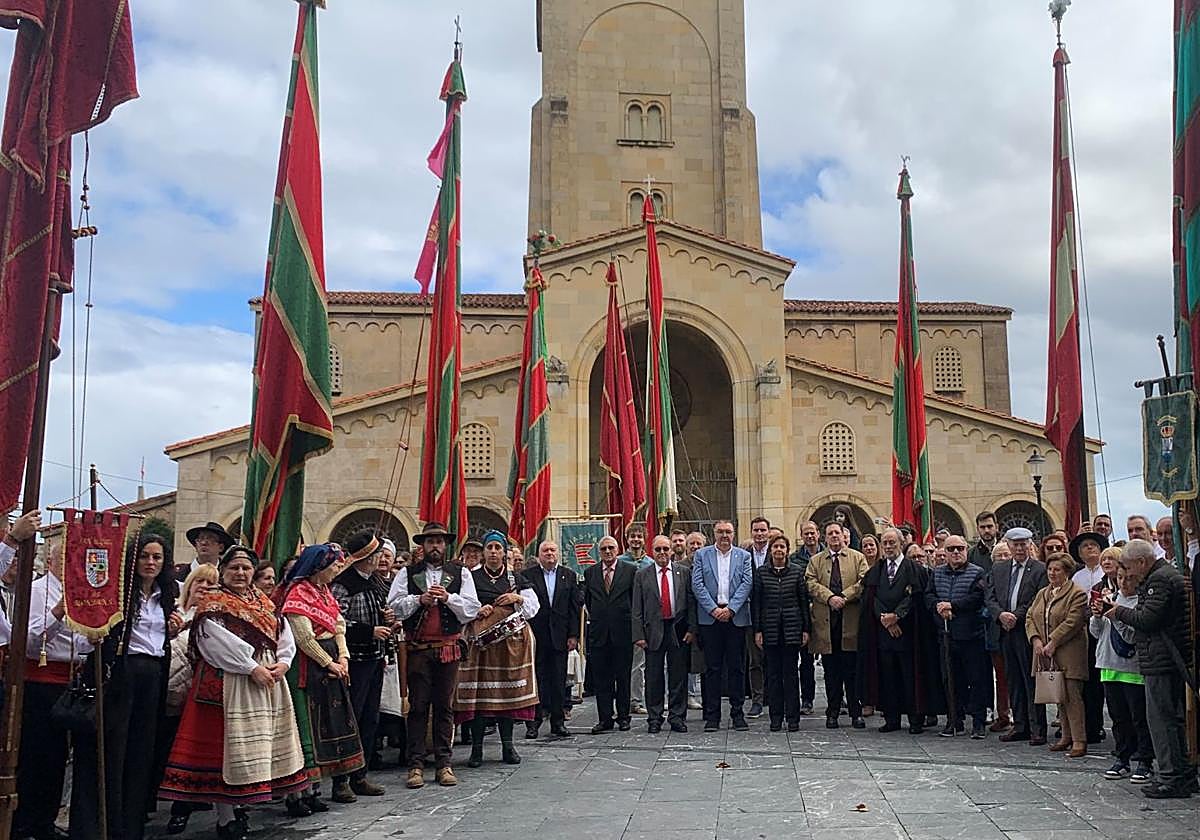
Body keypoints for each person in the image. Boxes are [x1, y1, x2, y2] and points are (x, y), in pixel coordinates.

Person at [159, 545, 307, 840]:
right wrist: (252, 667)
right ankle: (226, 817)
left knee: (256, 747)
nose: (240, 573)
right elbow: (214, 641)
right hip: (229, 681)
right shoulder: (213, 602)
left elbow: (284, 633)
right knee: (224, 750)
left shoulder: (263, 602)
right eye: (234, 568)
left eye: (246, 568)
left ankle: (240, 806)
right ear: (223, 572)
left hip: (266, 678)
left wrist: (284, 662)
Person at [70, 533, 177, 840]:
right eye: (145, 556)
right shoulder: (117, 593)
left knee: (141, 753)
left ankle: (131, 826)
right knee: (110, 753)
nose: (151, 563)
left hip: (152, 675)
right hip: (120, 674)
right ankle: (100, 827)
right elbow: (90, 635)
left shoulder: (166, 594)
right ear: (134, 559)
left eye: (157, 557)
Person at [388, 522, 481, 789]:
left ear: (445, 545)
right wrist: (419, 600)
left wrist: (449, 598)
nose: (435, 546)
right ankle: (415, 765)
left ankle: (444, 764)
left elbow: (471, 609)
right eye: (430, 542)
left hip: (448, 648)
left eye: (439, 542)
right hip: (418, 649)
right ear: (423, 546)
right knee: (417, 707)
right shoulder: (408, 573)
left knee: (444, 707)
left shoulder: (460, 573)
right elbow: (394, 606)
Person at [15, 539, 93, 840]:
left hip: (74, 678)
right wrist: (59, 613)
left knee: (62, 757)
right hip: (42, 680)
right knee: (38, 755)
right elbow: (30, 640)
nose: (72, 565)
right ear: (51, 562)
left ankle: (45, 821)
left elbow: (82, 642)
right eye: (66, 559)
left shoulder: (83, 594)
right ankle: (24, 823)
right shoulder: (37, 591)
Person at [1107, 540, 1198, 798]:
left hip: (1162, 659)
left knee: (1161, 720)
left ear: (1141, 562)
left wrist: (1118, 612)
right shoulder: (1165, 576)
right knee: (1171, 719)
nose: (1126, 572)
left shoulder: (1158, 581)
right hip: (1166, 657)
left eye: (1127, 566)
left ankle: (1171, 777)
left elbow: (1148, 619)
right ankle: (1182, 772)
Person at [279, 543, 363, 809]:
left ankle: (322, 788)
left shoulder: (326, 593)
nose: (338, 568)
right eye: (334, 563)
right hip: (309, 668)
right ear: (319, 566)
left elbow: (339, 625)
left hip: (332, 665)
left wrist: (344, 657)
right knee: (308, 728)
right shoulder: (297, 593)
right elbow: (303, 637)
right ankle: (301, 792)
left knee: (335, 723)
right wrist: (329, 663)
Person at [455, 529, 538, 765]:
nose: (493, 552)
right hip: (481, 647)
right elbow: (462, 605)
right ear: (483, 552)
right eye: (489, 548)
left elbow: (534, 607)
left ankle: (508, 748)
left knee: (507, 697)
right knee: (480, 699)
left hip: (509, 647)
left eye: (497, 548)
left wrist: (517, 599)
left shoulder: (515, 579)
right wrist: (477, 610)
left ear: (504, 552)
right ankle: (477, 750)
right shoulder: (470, 577)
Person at [329, 532, 392, 799]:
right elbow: (336, 622)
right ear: (365, 558)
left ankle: (360, 774)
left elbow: (380, 610)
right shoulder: (343, 584)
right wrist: (370, 631)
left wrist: (387, 618)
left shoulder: (375, 581)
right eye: (376, 554)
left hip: (375, 658)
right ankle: (340, 780)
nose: (380, 558)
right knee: (350, 718)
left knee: (370, 718)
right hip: (354, 661)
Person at [160, 564, 219, 836]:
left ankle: (185, 808)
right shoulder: (172, 612)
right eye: (200, 583)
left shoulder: (218, 617)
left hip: (200, 693)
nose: (204, 588)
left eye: (211, 584)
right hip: (170, 693)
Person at [858, 528, 936, 735]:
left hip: (909, 634)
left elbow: (915, 598)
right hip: (884, 635)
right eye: (885, 543)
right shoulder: (876, 571)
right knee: (888, 677)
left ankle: (915, 719)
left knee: (910, 677)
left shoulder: (914, 570)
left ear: (901, 543)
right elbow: (871, 598)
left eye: (892, 542)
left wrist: (897, 617)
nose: (889, 546)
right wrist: (886, 619)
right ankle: (891, 719)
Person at [1089, 564, 1153, 783]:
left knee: (1139, 717)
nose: (1123, 583)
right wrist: (1097, 616)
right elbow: (1096, 632)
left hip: (1132, 669)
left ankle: (1145, 760)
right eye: (1120, 578)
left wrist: (1116, 615)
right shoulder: (1111, 597)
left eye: (1129, 578)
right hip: (1108, 666)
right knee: (1118, 718)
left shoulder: (1139, 604)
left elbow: (1131, 636)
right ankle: (1122, 757)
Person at [986, 527, 1048, 745]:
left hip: (1026, 631)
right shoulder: (999, 569)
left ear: (1030, 545)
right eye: (1016, 544)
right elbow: (990, 596)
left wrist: (1016, 616)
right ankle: (1020, 725)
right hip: (1004, 632)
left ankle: (1038, 728)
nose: (1020, 548)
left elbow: (1037, 599)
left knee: (1030, 680)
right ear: (1008, 545)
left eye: (1024, 544)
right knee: (1012, 680)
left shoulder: (1040, 569)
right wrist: (1000, 615)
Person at [691, 520, 753, 732]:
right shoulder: (702, 555)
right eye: (720, 532)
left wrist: (732, 609)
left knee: (736, 668)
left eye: (728, 532)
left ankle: (737, 714)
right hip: (710, 618)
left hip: (735, 617)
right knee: (712, 668)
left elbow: (747, 583)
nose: (724, 536)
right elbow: (697, 584)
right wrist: (713, 609)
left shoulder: (744, 556)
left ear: (734, 534)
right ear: (713, 533)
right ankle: (712, 716)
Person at [926, 534, 991, 738]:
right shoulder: (936, 573)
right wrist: (939, 606)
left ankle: (979, 722)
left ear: (966, 550)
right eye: (951, 549)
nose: (956, 552)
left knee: (976, 680)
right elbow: (928, 595)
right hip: (946, 635)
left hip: (971, 635)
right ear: (944, 552)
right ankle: (955, 719)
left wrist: (953, 606)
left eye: (960, 548)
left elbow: (978, 598)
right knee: (951, 680)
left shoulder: (977, 572)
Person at [1026, 553, 1089, 758]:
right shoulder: (1043, 593)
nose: (1052, 573)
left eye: (1057, 570)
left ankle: (1079, 739)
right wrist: (1036, 639)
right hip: (1045, 653)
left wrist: (1053, 641)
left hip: (1068, 652)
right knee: (1058, 696)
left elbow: (1073, 621)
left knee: (1072, 696)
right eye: (1050, 569)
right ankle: (1066, 736)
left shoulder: (1077, 594)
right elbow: (1030, 616)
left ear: (1067, 572)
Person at [807, 520, 868, 729]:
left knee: (852, 672)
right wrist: (830, 597)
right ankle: (832, 712)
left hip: (849, 622)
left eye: (837, 533)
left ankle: (855, 713)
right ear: (825, 537)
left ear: (844, 536)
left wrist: (844, 596)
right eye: (830, 533)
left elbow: (863, 582)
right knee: (831, 673)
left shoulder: (857, 558)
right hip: (827, 624)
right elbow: (810, 583)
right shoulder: (816, 561)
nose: (834, 536)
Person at [632, 535, 696, 733]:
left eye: (665, 549)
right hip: (653, 631)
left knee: (678, 676)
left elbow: (691, 602)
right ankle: (654, 717)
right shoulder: (643, 575)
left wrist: (692, 629)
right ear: (652, 551)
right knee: (654, 677)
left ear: (671, 551)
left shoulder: (683, 572)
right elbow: (637, 608)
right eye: (658, 549)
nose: (662, 553)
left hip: (678, 630)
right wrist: (639, 635)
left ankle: (677, 716)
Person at [520, 539, 580, 740]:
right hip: (536, 636)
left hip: (561, 637)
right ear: (539, 555)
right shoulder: (527, 576)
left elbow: (574, 609)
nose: (549, 554)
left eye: (553, 550)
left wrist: (573, 635)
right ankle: (533, 723)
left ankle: (558, 722)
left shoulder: (568, 576)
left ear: (558, 553)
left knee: (558, 680)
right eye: (545, 551)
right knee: (537, 680)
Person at [752, 535, 810, 731]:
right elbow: (757, 604)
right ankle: (775, 717)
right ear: (771, 550)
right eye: (775, 546)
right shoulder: (761, 573)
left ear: (787, 550)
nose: (779, 550)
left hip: (792, 630)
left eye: (782, 547)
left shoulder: (796, 572)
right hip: (770, 631)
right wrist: (758, 630)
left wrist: (805, 629)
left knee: (791, 675)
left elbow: (803, 602)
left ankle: (793, 718)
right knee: (773, 676)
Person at [583, 535, 636, 733]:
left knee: (623, 677)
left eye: (611, 548)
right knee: (602, 679)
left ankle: (623, 717)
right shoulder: (590, 573)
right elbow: (589, 601)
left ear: (618, 549)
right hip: (599, 634)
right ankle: (605, 718)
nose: (607, 551)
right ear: (599, 552)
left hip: (622, 633)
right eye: (604, 548)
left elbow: (634, 601)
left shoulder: (630, 571)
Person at [1069, 530, 1110, 746]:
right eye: (1085, 546)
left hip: (1106, 630)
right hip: (1083, 633)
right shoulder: (1077, 577)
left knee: (1103, 681)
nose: (1090, 548)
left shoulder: (1108, 571)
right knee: (1088, 682)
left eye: (1094, 544)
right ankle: (1090, 726)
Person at [373, 539, 406, 770]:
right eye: (380, 555)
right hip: (376, 644)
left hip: (398, 646)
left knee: (398, 696)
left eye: (388, 555)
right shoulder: (369, 583)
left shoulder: (397, 583)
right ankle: (373, 746)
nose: (384, 560)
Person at [789, 520, 822, 715]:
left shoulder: (828, 554)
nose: (810, 536)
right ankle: (807, 700)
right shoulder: (794, 559)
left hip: (825, 611)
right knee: (806, 659)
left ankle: (839, 698)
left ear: (818, 534)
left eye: (812, 533)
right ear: (802, 536)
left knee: (831, 658)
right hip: (804, 613)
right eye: (806, 533)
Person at [619, 523, 650, 716]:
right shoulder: (620, 562)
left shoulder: (650, 563)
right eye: (632, 537)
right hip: (624, 620)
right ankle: (626, 699)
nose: (636, 540)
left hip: (644, 621)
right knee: (624, 663)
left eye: (639, 536)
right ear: (627, 539)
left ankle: (637, 700)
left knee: (641, 664)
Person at [743, 516, 771, 718]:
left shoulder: (777, 553)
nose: (759, 534)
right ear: (751, 533)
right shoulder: (743, 555)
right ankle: (757, 699)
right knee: (754, 660)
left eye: (763, 530)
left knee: (774, 660)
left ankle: (775, 697)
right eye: (756, 530)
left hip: (773, 615)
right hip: (750, 615)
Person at [984, 540, 1013, 731]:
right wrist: (999, 615)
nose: (1002, 559)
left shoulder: (1021, 576)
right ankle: (1003, 714)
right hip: (995, 631)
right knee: (1001, 677)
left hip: (1017, 631)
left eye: (1006, 555)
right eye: (998, 556)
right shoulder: (989, 577)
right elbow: (988, 600)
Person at [684, 530, 707, 711]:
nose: (695, 547)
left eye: (699, 544)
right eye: (692, 543)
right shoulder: (680, 567)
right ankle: (688, 695)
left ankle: (707, 698)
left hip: (708, 617)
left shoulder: (709, 564)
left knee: (706, 661)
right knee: (688, 659)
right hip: (687, 620)